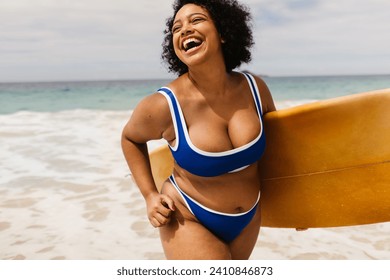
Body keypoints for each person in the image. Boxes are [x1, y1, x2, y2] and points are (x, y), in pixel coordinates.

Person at [121, 0, 276, 260]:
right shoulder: (164, 105)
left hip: (248, 218)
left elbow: (278, 148)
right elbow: (130, 138)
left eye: (196, 20)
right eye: (176, 28)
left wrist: (297, 203)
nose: (184, 30)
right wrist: (150, 196)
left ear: (224, 32)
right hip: (186, 214)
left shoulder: (255, 89)